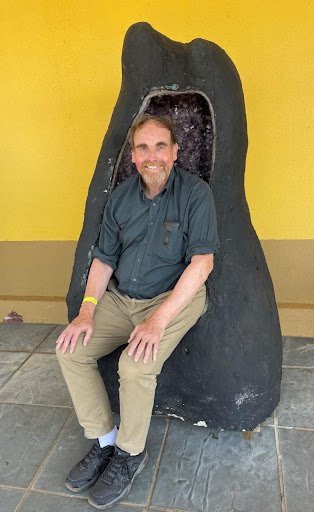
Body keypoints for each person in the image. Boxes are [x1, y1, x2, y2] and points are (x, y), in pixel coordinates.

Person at [56, 115, 219, 509]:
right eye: (143, 148)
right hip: (120, 297)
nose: (152, 156)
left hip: (173, 298)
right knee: (70, 350)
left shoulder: (195, 194)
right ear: (132, 155)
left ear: (175, 152)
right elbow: (104, 260)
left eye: (160, 146)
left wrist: (156, 321)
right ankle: (105, 442)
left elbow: (203, 264)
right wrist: (87, 311)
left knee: (135, 366)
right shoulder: (121, 198)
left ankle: (129, 454)